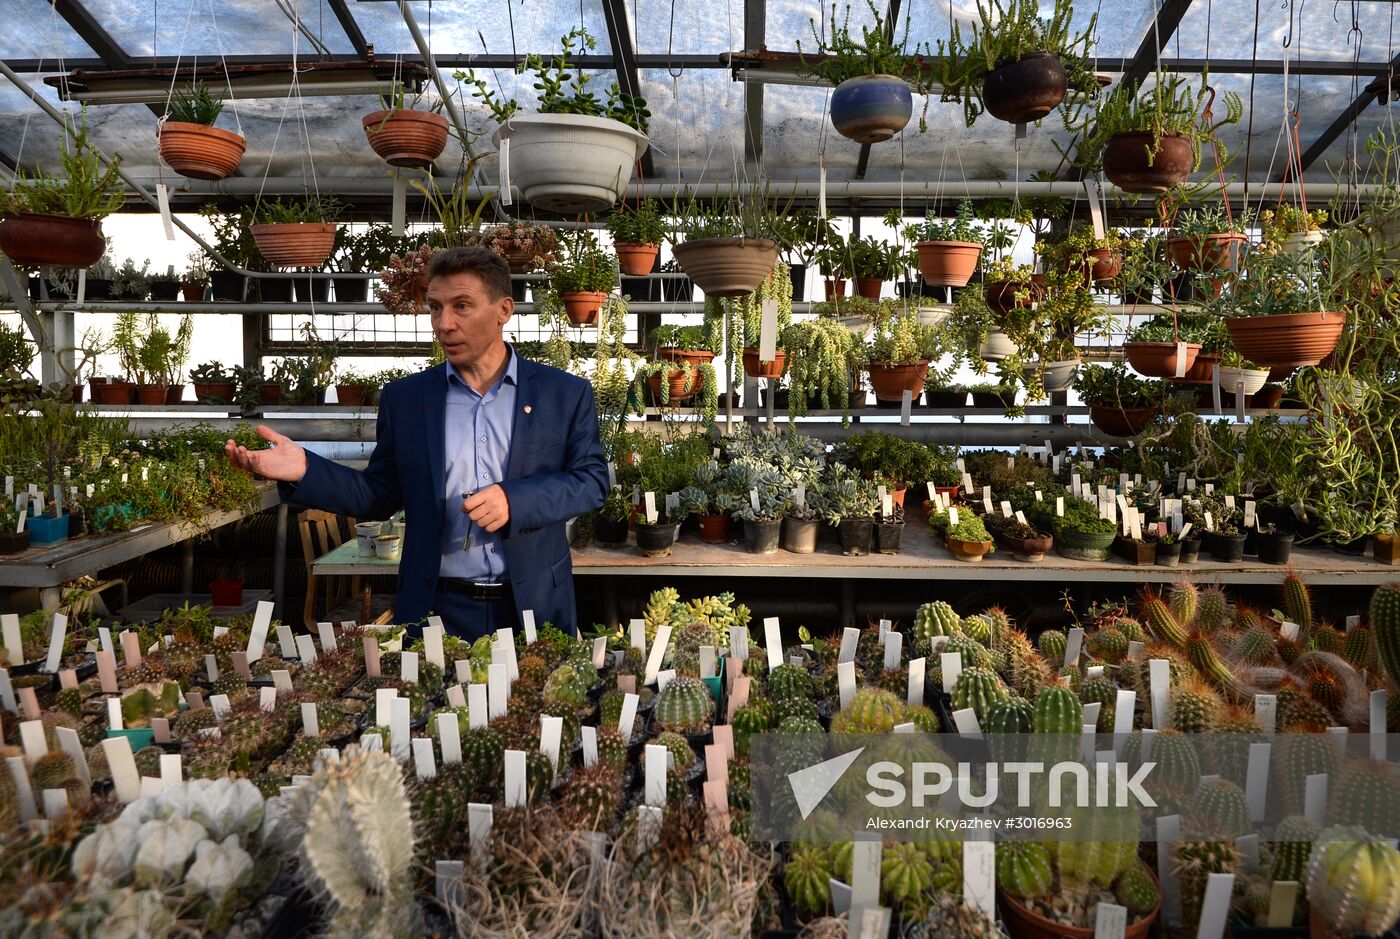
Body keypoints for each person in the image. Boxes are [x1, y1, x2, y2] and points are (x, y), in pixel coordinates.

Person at [224, 246, 609, 639]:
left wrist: (516, 500)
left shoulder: (563, 394)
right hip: (436, 610)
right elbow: (380, 493)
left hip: (533, 604)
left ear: (504, 310)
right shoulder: (406, 400)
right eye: (435, 308)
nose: (444, 324)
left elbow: (592, 481)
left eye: (462, 306)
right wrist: (306, 468)